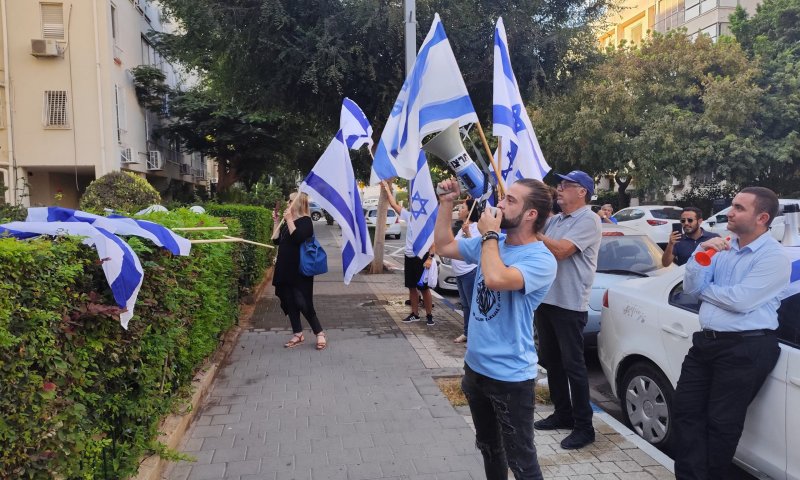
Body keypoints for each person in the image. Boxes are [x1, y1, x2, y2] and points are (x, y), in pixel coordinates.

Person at [434, 177, 557, 480]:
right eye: (503, 198)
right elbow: (444, 246)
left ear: (531, 215)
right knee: (490, 448)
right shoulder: (494, 243)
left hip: (511, 378)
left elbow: (496, 279)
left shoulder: (541, 258)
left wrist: (489, 234)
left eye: (510, 201)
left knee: (523, 463)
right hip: (476, 370)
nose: (499, 205)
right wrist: (446, 204)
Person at [673, 187, 790, 480]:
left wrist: (705, 291)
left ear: (762, 217)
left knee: (721, 423)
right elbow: (690, 288)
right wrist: (702, 251)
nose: (730, 212)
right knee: (686, 412)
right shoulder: (721, 246)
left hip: (745, 348)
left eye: (738, 207)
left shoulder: (773, 257)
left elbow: (741, 300)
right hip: (706, 343)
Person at [533, 170, 601, 450]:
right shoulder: (557, 219)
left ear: (582, 191)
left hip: (570, 305)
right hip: (547, 301)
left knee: (574, 367)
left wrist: (537, 233)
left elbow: (561, 251)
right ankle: (563, 413)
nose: (559, 190)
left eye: (565, 186)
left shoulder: (589, 220)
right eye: (559, 185)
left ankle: (585, 426)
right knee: (551, 362)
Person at [271, 192, 327, 350]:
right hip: (284, 268)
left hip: (299, 269)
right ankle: (297, 333)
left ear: (298, 203)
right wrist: (276, 222)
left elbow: (297, 238)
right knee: (289, 301)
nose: (287, 202)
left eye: (290, 200)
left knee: (303, 301)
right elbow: (275, 240)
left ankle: (319, 333)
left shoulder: (306, 221)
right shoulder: (287, 220)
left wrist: (289, 220)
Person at [383, 182, 435, 326]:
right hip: (408, 256)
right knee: (412, 287)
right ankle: (415, 314)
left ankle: (429, 315)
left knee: (424, 289)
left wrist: (430, 257)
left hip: (422, 257)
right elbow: (393, 205)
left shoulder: (428, 220)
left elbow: (433, 241)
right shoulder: (410, 216)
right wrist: (387, 189)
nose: (415, 204)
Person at [451, 199, 480, 344]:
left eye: (462, 207)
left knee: (472, 305)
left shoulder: (475, 227)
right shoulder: (462, 226)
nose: (459, 210)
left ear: (469, 211)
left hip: (470, 272)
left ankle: (474, 335)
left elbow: (477, 248)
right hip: (459, 273)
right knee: (465, 305)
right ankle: (467, 333)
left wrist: (468, 232)